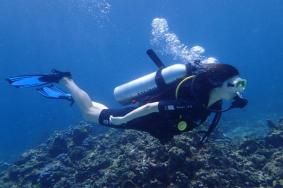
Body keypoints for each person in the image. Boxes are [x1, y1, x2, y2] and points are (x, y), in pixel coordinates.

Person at [6, 57, 248, 144]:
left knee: (100, 110)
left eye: (241, 84)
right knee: (89, 114)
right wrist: (123, 120)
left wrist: (237, 100)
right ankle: (65, 80)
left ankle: (72, 95)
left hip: (149, 122)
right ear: (218, 84)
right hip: (143, 117)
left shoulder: (213, 101)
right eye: (236, 84)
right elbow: (152, 107)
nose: (239, 89)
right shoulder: (194, 103)